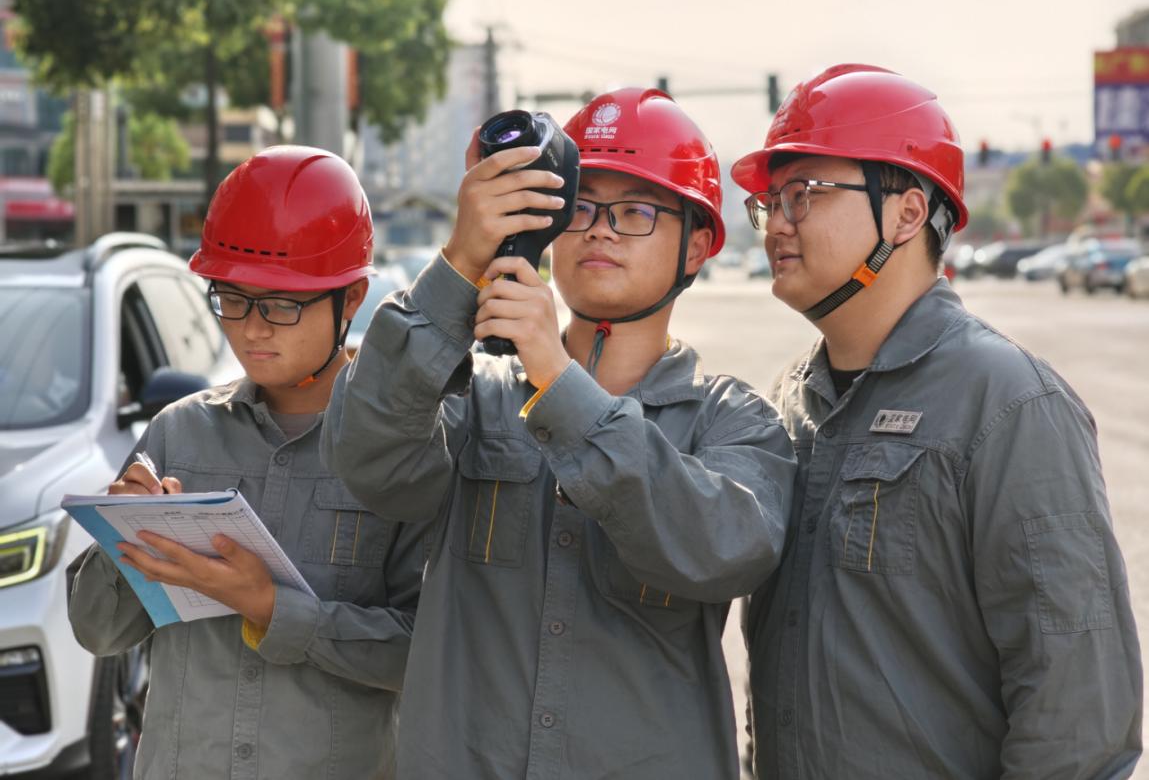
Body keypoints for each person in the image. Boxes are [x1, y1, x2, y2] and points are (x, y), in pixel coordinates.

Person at [322, 87, 796, 779]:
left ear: (697, 244)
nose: (598, 230)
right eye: (577, 208)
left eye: (635, 211)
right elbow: (368, 460)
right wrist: (460, 262)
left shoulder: (733, 421)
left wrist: (557, 379)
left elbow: (719, 552)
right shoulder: (472, 399)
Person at [733, 64, 1142, 778]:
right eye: (770, 203)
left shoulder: (1007, 404)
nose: (779, 224)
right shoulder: (792, 400)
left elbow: (1077, 719)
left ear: (907, 212)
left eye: (806, 194)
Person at [68, 146, 424, 779]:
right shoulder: (179, 434)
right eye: (232, 299)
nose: (254, 328)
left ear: (352, 299)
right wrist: (122, 536)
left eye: (283, 304)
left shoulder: (404, 451)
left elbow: (422, 655)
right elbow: (98, 632)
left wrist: (271, 607)